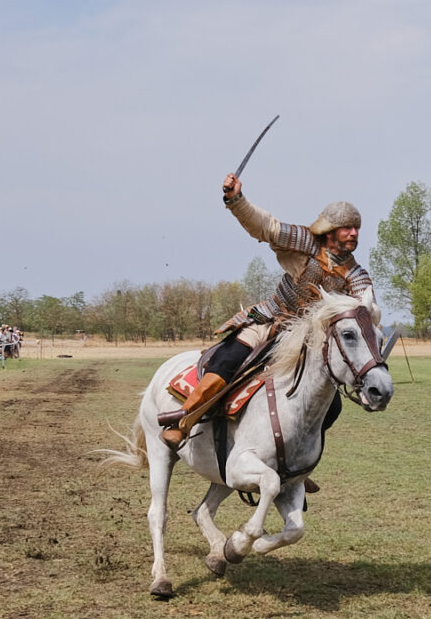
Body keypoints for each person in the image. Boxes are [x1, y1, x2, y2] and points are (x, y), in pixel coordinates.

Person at [159, 170, 379, 452]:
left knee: (331, 404)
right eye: (347, 228)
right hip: (270, 322)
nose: (354, 233)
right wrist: (236, 199)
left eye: (356, 228)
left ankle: (297, 463)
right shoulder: (305, 241)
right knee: (224, 369)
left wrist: (371, 319)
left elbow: (366, 308)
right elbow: (265, 226)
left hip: (306, 342)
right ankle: (182, 425)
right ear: (330, 229)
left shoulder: (356, 274)